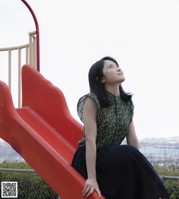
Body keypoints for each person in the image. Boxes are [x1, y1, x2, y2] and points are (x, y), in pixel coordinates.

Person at [71, 56, 169, 199]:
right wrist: (92, 178)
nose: (118, 68)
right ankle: (161, 194)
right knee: (128, 153)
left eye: (117, 65)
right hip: (90, 161)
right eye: (110, 67)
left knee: (130, 162)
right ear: (101, 79)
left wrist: (138, 169)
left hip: (111, 161)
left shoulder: (126, 104)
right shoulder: (92, 101)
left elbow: (133, 141)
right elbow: (90, 141)